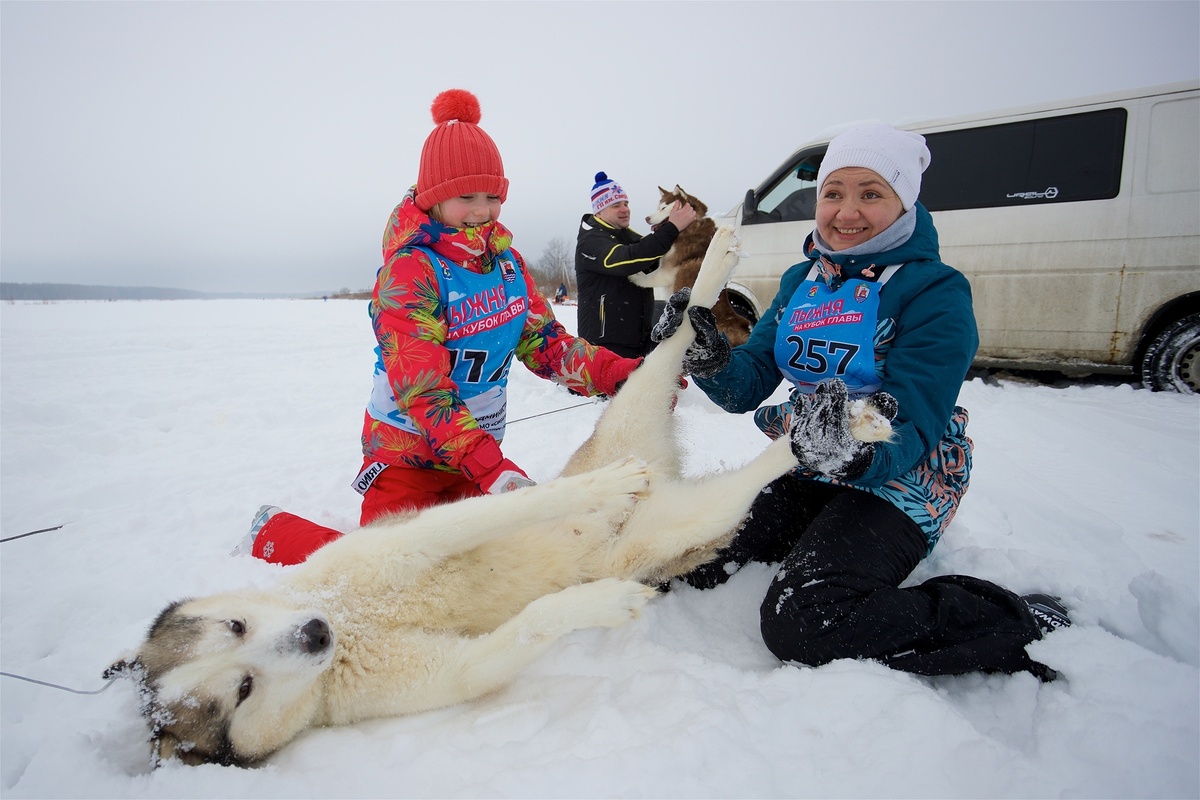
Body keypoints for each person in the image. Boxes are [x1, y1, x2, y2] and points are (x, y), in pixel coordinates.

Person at [654, 124, 1072, 681]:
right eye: (833, 193)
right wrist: (709, 358)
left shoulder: (935, 291)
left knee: (805, 622)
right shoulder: (803, 280)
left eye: (870, 193)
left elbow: (915, 416)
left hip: (902, 472)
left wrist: (853, 455)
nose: (846, 212)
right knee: (692, 557)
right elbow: (747, 385)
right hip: (809, 459)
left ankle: (1000, 615)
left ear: (904, 204)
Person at [234, 89, 642, 566]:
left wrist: (622, 375)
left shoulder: (508, 265)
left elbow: (547, 344)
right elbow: (423, 387)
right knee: (389, 570)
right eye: (466, 196)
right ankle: (274, 532)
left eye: (493, 197)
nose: (482, 210)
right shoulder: (411, 270)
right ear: (433, 198)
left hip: (473, 457)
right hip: (406, 461)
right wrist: (490, 467)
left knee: (502, 559)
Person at [575, 172, 697, 358]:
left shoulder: (626, 235)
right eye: (616, 205)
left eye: (626, 203)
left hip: (638, 340)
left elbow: (652, 257)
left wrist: (679, 231)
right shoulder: (591, 240)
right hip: (603, 346)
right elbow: (625, 260)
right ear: (599, 211)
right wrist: (671, 228)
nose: (625, 209)